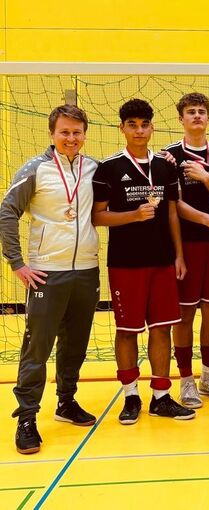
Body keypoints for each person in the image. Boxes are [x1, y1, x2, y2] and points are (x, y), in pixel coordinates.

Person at [0, 105, 100, 454]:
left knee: (75, 344)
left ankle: (66, 402)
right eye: (64, 132)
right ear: (52, 134)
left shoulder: (93, 168)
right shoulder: (36, 169)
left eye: (77, 132)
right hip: (47, 272)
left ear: (84, 134)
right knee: (37, 348)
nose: (71, 138)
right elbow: (7, 211)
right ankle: (27, 417)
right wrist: (17, 263)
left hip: (86, 270)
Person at [92, 98, 195, 424]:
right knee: (127, 330)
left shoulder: (165, 166)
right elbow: (97, 216)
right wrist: (133, 216)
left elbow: (172, 213)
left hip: (162, 261)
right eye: (132, 125)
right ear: (122, 128)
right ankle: (130, 395)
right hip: (125, 263)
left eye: (144, 125)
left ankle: (161, 396)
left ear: (152, 128)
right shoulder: (109, 168)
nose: (139, 130)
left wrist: (179, 254)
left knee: (162, 328)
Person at [163, 93, 209, 409]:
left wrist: (206, 178)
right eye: (190, 112)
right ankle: (186, 380)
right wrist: (206, 219)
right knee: (185, 314)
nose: (196, 116)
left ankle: (208, 376)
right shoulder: (170, 157)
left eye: (202, 111)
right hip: (186, 244)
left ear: (208, 117)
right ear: (181, 118)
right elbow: (173, 204)